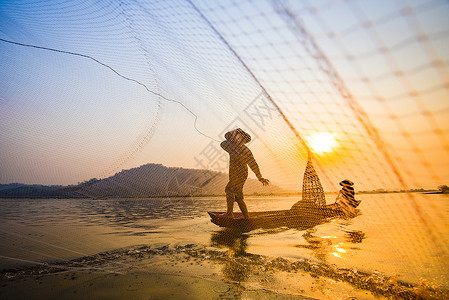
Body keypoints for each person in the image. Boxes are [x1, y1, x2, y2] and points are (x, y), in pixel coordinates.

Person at [220, 128, 269, 219]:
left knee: (229, 189)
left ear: (244, 139)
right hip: (234, 174)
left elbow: (253, 164)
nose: (238, 137)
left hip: (241, 173)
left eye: (240, 135)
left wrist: (260, 177)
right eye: (236, 135)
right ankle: (246, 217)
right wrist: (232, 138)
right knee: (239, 197)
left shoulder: (246, 150)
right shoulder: (231, 147)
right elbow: (222, 144)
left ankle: (229, 214)